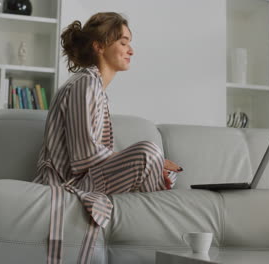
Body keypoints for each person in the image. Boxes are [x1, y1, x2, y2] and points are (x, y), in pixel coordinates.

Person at [33, 12, 182, 264]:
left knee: (160, 166)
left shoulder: (95, 88)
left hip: (86, 180)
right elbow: (84, 156)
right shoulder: (85, 84)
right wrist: (151, 160)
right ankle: (161, 239)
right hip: (67, 184)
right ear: (99, 46)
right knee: (149, 153)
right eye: (123, 42)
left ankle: (152, 238)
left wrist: (156, 166)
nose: (131, 50)